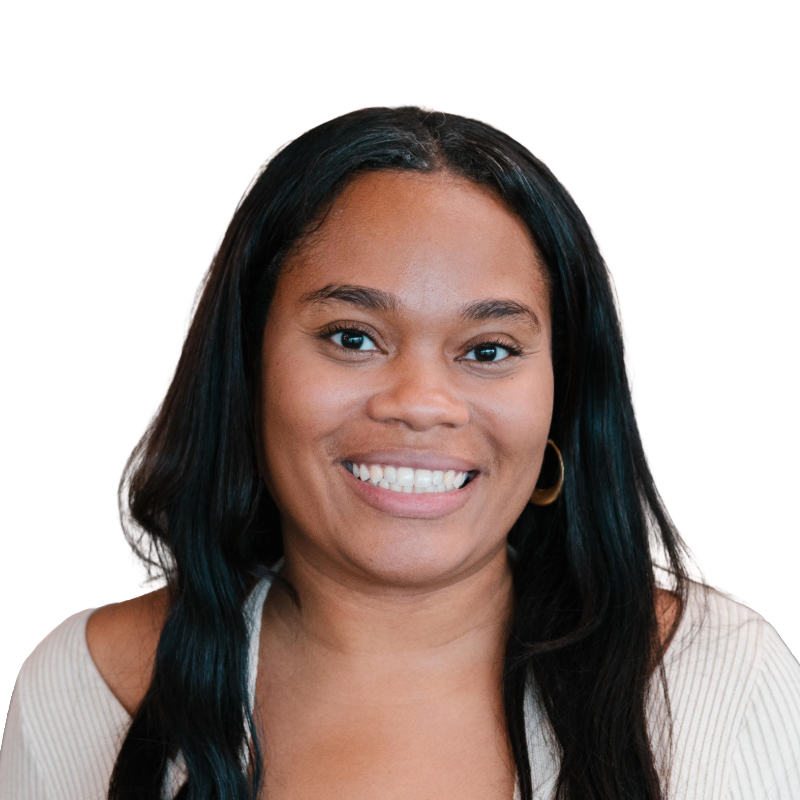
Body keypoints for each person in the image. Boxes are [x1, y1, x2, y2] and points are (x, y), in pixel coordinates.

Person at [1, 106, 798, 800]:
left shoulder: (717, 680)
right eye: (352, 337)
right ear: (247, 367)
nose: (420, 403)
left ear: (563, 392)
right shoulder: (86, 691)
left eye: (489, 349)